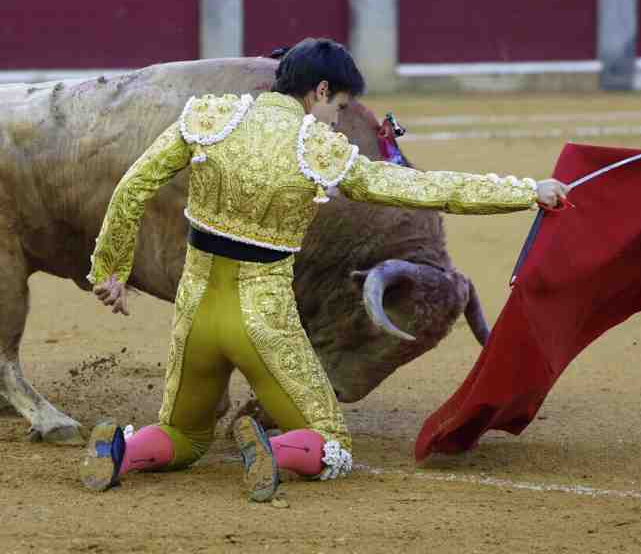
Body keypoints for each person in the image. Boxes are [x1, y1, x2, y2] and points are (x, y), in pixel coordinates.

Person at [79, 37, 569, 501]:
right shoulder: (318, 151)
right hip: (261, 320)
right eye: (338, 107)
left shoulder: (209, 117)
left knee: (181, 433)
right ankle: (271, 450)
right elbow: (424, 190)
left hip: (197, 312)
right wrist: (526, 191)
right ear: (319, 91)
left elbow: (133, 186)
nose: (337, 121)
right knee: (331, 443)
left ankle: (120, 451)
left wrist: (111, 267)